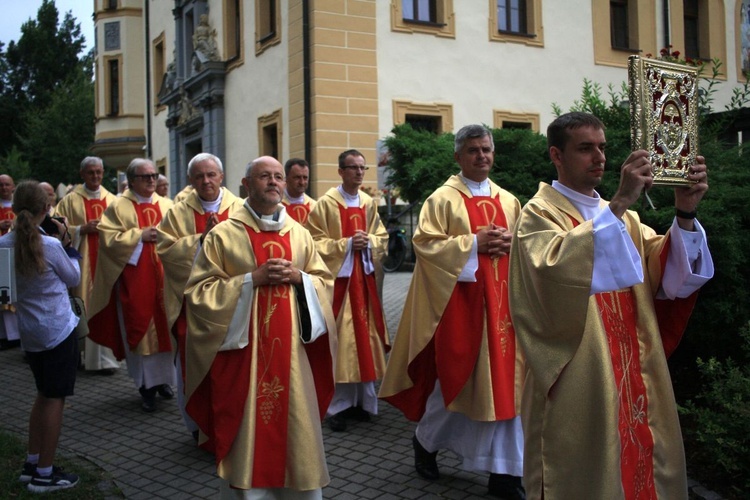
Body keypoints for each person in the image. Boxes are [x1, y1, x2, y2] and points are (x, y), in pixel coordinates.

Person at [508, 112, 714, 499]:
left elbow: (668, 277)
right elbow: (549, 271)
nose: (599, 157)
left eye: (601, 147)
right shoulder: (537, 214)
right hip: (580, 376)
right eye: (585, 149)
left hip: (634, 370)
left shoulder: (629, 220)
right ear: (557, 154)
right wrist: (618, 202)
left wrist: (685, 213)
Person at [379, 125, 525, 498]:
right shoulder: (442, 200)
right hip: (460, 308)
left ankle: (505, 474)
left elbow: (525, 247)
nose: (482, 156)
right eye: (473, 150)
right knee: (456, 388)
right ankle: (425, 442)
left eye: (487, 149)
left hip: (503, 309)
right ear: (458, 157)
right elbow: (426, 246)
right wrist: (473, 243)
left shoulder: (509, 201)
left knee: (508, 388)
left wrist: (514, 243)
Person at [184, 156, 336, 498]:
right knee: (248, 442)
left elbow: (325, 283)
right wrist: (251, 280)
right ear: (246, 184)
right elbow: (197, 293)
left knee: (297, 435)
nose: (273, 182)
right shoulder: (224, 234)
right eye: (264, 176)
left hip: (293, 360)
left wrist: (301, 279)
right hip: (245, 361)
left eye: (278, 177)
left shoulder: (299, 234)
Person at [0, 181, 81, 492]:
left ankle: (32, 461)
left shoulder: (4, 244)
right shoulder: (49, 245)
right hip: (58, 329)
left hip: (30, 332)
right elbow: (73, 276)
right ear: (47, 209)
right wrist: (66, 242)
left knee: (42, 394)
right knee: (54, 399)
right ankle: (45, 474)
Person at [156, 152, 243, 436]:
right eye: (199, 176)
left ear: (221, 176)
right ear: (190, 180)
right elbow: (166, 251)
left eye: (211, 175)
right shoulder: (178, 212)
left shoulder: (241, 208)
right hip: (193, 306)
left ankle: (234, 422)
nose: (206, 181)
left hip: (235, 302)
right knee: (193, 364)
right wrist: (201, 239)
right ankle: (198, 425)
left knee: (231, 367)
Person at [306, 149, 389, 432]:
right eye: (352, 168)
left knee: (364, 341)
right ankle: (337, 406)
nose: (358, 173)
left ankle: (363, 402)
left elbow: (382, 236)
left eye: (362, 168)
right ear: (340, 171)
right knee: (340, 344)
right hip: (338, 286)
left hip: (362, 284)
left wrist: (370, 243)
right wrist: (344, 245)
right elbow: (313, 243)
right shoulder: (325, 204)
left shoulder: (368, 202)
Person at [87, 158, 176, 413]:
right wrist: (139, 236)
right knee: (142, 329)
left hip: (166, 279)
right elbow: (108, 239)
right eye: (145, 176)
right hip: (136, 281)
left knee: (167, 329)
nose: (151, 180)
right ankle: (146, 387)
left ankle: (164, 382)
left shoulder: (168, 205)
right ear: (133, 180)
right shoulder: (118, 207)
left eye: (154, 176)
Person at [55, 157, 120, 375]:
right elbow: (55, 229)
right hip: (82, 264)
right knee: (82, 304)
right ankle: (80, 355)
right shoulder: (70, 200)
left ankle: (106, 359)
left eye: (99, 172)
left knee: (107, 304)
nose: (95, 176)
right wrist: (81, 229)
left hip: (107, 263)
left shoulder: (113, 199)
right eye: (91, 172)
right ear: (82, 174)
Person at [0, 173, 20, 350]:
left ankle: (17, 334)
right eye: (1, 185)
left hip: (17, 255)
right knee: (3, 294)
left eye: (7, 184)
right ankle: (5, 335)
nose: (4, 188)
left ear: (13, 186)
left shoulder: (19, 206)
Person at [282, 158, 315, 225]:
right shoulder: (275, 205)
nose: (302, 182)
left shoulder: (314, 206)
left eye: (305, 178)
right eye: (297, 177)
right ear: (286, 178)